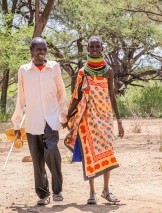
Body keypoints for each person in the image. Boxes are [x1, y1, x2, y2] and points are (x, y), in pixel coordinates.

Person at [63, 36, 124, 204]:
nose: (95, 49)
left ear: (102, 49)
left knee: (107, 153)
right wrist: (67, 116)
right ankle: (92, 193)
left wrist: (119, 122)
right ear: (88, 49)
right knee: (89, 154)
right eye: (92, 46)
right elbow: (77, 97)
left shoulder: (108, 71)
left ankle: (106, 190)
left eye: (98, 46)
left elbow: (112, 96)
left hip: (105, 118)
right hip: (87, 118)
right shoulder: (83, 72)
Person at [11, 37, 68, 205]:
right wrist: (16, 122)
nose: (42, 52)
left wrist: (63, 115)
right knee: (37, 160)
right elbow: (20, 98)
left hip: (50, 119)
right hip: (32, 121)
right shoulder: (24, 70)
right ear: (32, 50)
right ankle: (43, 194)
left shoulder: (54, 67)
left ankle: (57, 190)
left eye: (44, 49)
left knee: (52, 151)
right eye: (38, 49)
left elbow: (61, 93)